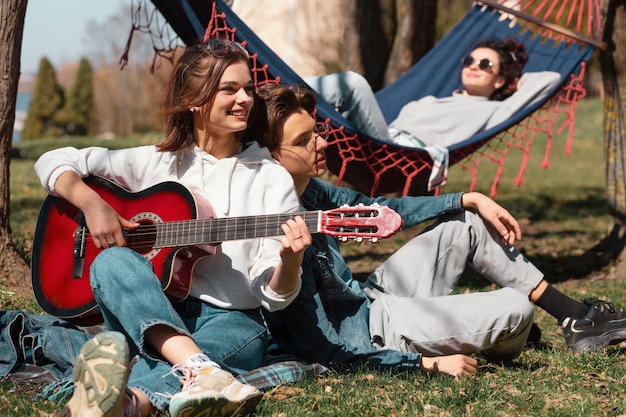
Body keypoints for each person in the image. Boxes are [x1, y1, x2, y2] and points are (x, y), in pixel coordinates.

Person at [249, 83, 626, 374]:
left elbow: (384, 210)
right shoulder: (273, 227)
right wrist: (421, 365)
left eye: (316, 132)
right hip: (370, 331)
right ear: (270, 157)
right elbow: (322, 347)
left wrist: (467, 198)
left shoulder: (312, 190)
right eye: (304, 141)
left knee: (466, 224)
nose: (322, 142)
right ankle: (496, 333)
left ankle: (574, 317)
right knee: (515, 308)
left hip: (368, 298)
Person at [34, 38, 311, 417]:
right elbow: (54, 160)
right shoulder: (158, 162)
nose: (245, 98)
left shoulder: (270, 178)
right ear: (196, 98)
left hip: (230, 320)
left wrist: (290, 262)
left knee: (237, 342)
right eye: (229, 89)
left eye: (247, 88)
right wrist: (91, 203)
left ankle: (125, 404)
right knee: (110, 262)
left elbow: (271, 294)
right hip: (149, 308)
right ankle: (201, 372)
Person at [305, 36, 562, 148]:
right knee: (334, 97)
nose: (473, 66)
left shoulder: (494, 111)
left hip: (393, 153)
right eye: (470, 60)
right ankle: (278, 95)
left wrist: (511, 81)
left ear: (499, 80)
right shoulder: (433, 99)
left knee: (353, 84)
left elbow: (551, 79)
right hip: (378, 138)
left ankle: (281, 90)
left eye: (485, 65)